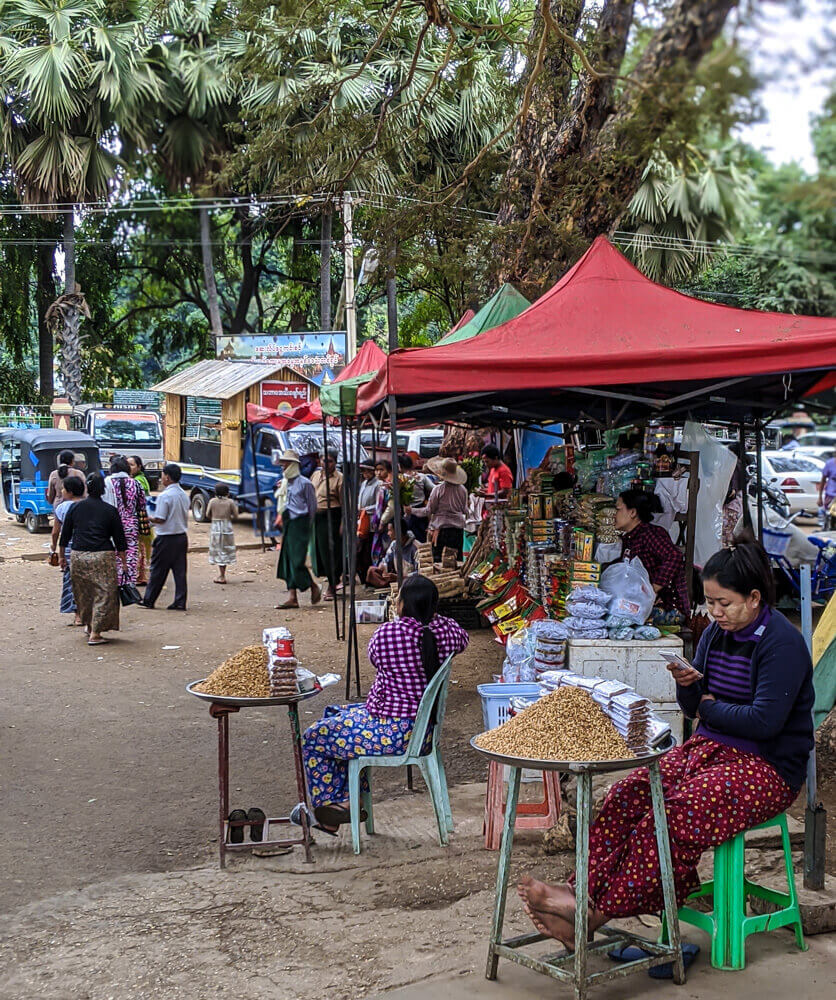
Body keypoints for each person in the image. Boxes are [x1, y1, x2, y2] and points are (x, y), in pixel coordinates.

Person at [517, 538, 815, 951]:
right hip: (709, 750)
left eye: (724, 603)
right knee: (627, 794)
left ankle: (593, 916)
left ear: (754, 598)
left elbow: (764, 722)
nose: (715, 612)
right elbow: (695, 708)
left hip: (766, 768)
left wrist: (709, 708)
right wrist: (691, 691)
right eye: (709, 602)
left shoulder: (781, 643)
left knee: (675, 813)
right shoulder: (713, 634)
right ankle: (579, 894)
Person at [298, 575, 469, 833]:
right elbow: (463, 639)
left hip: (393, 733)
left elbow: (374, 659)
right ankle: (344, 803)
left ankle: (337, 804)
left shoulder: (388, 634)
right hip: (423, 731)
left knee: (313, 737)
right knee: (333, 713)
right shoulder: (448, 631)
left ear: (402, 605)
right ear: (434, 607)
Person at [58, 474, 128, 645]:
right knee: (104, 593)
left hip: (78, 555)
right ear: (103, 489)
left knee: (83, 593)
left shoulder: (75, 508)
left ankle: (89, 625)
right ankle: (96, 632)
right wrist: (124, 563)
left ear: (87, 488)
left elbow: (64, 535)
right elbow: (120, 540)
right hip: (103, 556)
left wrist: (61, 556)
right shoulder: (110, 510)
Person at [614, 489, 690, 623]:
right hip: (642, 605)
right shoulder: (629, 538)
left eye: (618, 509)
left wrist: (653, 589)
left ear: (632, 512)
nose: (614, 515)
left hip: (667, 609)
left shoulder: (650, 534)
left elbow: (674, 556)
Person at [139, 463, 190, 611]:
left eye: (162, 475)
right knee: (180, 571)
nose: (161, 478)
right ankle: (180, 601)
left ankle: (149, 599)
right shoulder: (183, 495)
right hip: (181, 536)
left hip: (166, 537)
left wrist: (148, 518)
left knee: (157, 570)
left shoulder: (165, 496)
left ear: (167, 477)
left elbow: (160, 518)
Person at [275, 449, 321, 609]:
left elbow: (312, 506)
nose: (283, 467)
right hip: (289, 521)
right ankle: (292, 596)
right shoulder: (286, 483)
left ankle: (313, 586)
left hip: (301, 523)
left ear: (293, 465)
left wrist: (308, 525)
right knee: (287, 560)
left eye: (285, 464)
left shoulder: (305, 484)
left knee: (297, 560)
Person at [104, 456, 146, 587]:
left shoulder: (106, 482)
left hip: (111, 525)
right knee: (131, 553)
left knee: (114, 552)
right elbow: (142, 505)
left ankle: (114, 581)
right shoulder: (136, 484)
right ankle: (128, 583)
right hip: (131, 525)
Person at [51, 473, 85, 626]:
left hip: (71, 548)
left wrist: (56, 549)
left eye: (63, 489)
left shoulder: (62, 508)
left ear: (70, 491)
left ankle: (78, 615)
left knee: (72, 581)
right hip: (87, 547)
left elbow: (56, 532)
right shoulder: (87, 505)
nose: (62, 491)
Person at [310, 450, 344, 601]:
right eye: (324, 460)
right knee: (319, 551)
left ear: (335, 462)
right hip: (317, 517)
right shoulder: (316, 475)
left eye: (329, 461)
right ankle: (331, 579)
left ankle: (333, 583)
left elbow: (345, 504)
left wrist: (343, 523)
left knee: (332, 552)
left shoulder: (340, 479)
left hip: (333, 517)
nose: (326, 464)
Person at [423, 457, 468, 561]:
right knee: (456, 560)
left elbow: (430, 510)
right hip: (458, 531)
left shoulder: (438, 490)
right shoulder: (463, 490)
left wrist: (412, 510)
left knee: (440, 561)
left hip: (442, 531)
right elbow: (464, 509)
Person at [366, 519, 419, 588]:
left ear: (398, 531)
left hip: (412, 583)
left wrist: (400, 577)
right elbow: (386, 560)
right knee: (372, 570)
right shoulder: (394, 544)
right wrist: (382, 566)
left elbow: (420, 573)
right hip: (398, 579)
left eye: (390, 530)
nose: (388, 533)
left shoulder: (415, 547)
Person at [128, 455, 153, 585]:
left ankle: (141, 575)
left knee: (140, 546)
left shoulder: (138, 481)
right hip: (142, 517)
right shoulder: (137, 479)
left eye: (132, 465)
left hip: (141, 517)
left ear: (139, 466)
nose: (129, 467)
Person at [207, 483, 238, 584]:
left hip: (215, 526)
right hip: (226, 527)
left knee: (218, 550)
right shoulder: (230, 502)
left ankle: (221, 575)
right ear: (227, 493)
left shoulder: (212, 501)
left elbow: (207, 514)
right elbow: (236, 515)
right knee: (225, 550)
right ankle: (222, 575)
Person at [399, 453, 434, 543]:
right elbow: (433, 489)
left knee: (410, 539)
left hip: (407, 512)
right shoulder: (421, 477)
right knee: (421, 539)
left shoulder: (400, 479)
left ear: (400, 466)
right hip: (421, 512)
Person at [357, 461, 382, 583]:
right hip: (362, 520)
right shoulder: (364, 484)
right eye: (364, 471)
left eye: (367, 471)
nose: (365, 473)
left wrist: (365, 509)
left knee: (368, 550)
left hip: (372, 521)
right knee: (361, 550)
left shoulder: (378, 485)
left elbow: (378, 505)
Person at [371, 460, 394, 565]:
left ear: (388, 471)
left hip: (387, 523)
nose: (378, 473)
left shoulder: (390, 486)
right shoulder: (381, 486)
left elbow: (391, 507)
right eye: (376, 470)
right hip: (380, 521)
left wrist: (382, 521)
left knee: (387, 549)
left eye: (381, 470)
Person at [817, 448, 836, 530]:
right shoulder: (829, 464)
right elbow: (823, 481)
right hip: (830, 496)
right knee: (828, 516)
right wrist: (820, 497)